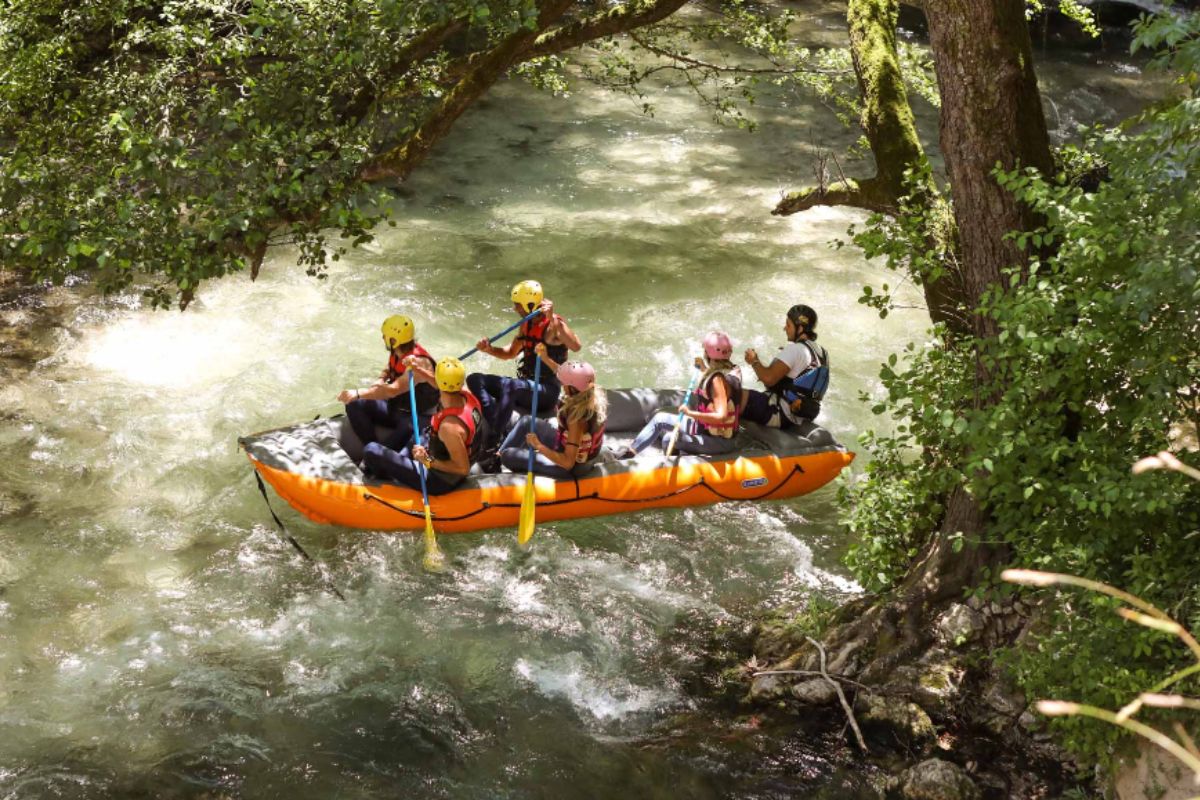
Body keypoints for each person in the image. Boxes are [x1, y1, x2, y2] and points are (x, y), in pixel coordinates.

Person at [467, 280, 582, 455]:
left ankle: (493, 440)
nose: (515, 309)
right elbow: (509, 353)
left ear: (530, 305)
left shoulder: (554, 327)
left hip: (546, 391)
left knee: (512, 386)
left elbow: (576, 346)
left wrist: (552, 319)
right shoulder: (526, 325)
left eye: (518, 305)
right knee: (475, 379)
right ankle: (499, 423)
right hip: (525, 385)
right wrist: (489, 349)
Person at [361, 357, 487, 494]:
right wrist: (417, 369)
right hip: (438, 450)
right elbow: (439, 382)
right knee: (418, 433)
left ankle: (386, 477)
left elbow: (463, 469)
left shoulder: (449, 427)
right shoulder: (466, 393)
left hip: (438, 479)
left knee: (371, 449)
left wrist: (427, 460)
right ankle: (399, 462)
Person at [617, 331, 744, 458]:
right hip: (704, 429)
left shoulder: (717, 380)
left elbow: (721, 416)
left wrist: (690, 413)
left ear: (707, 353)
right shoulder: (731, 370)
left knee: (669, 439)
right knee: (659, 419)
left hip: (719, 441)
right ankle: (629, 453)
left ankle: (674, 469)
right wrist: (704, 368)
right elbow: (719, 388)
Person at [498, 343, 607, 479]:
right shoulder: (588, 392)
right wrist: (544, 357)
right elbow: (561, 372)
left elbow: (568, 463)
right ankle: (497, 458)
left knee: (509, 456)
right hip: (562, 444)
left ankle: (501, 459)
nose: (561, 384)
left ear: (572, 388)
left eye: (564, 384)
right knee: (527, 421)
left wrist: (539, 446)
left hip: (571, 468)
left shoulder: (576, 418)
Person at [337, 315, 439, 451]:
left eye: (385, 336)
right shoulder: (399, 350)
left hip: (416, 418)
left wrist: (359, 393)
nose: (382, 338)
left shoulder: (419, 363)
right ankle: (371, 446)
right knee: (353, 404)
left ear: (394, 340)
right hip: (397, 407)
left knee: (358, 399)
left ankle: (375, 455)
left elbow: (392, 390)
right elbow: (390, 367)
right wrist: (381, 378)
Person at [740, 304, 830, 429]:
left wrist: (754, 361)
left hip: (780, 413)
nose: (784, 328)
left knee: (733, 393)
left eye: (788, 325)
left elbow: (768, 379)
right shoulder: (822, 353)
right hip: (800, 415)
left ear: (800, 328)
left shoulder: (796, 349)